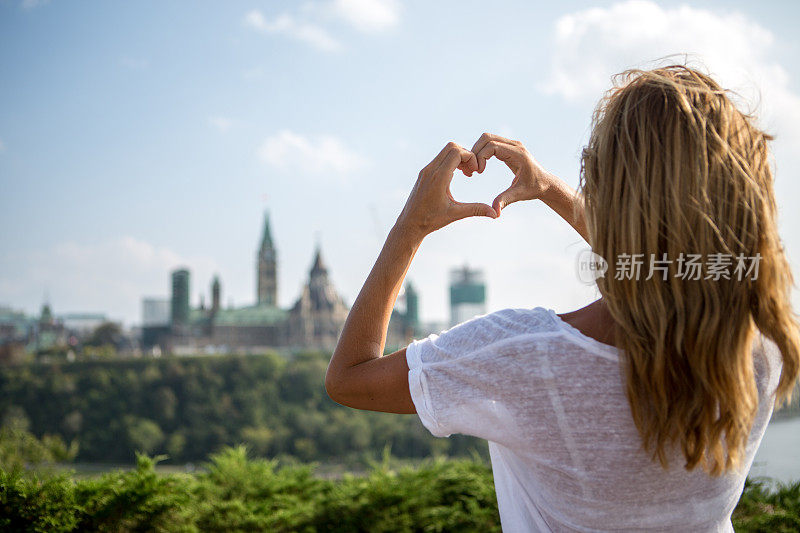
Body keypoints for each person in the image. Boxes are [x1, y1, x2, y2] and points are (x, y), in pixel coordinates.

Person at [324, 65, 800, 531]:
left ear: (605, 184)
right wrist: (550, 189)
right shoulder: (765, 346)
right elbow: (666, 264)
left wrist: (413, 224)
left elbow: (349, 378)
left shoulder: (528, 354)